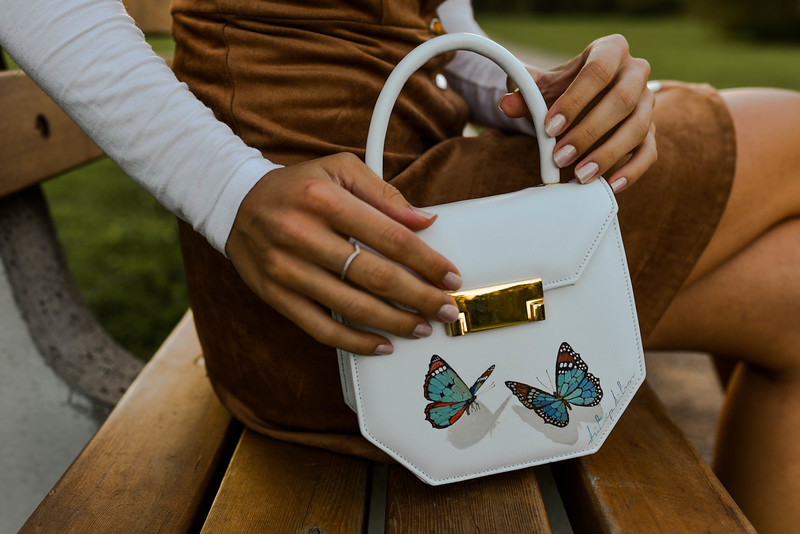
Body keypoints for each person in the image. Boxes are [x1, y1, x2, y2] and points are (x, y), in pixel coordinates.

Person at [2, 0, 799, 530]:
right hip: (328, 260)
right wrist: (230, 195)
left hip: (404, 242)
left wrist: (532, 95)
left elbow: (423, 28)